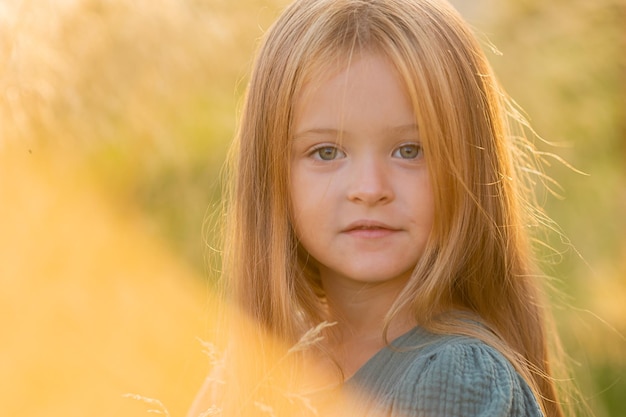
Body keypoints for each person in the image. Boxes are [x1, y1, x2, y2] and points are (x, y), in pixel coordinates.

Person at [188, 0, 573, 416]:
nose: (369, 189)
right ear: (272, 174)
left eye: (410, 150)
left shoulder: (453, 377)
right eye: (326, 151)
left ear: (469, 166)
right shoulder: (255, 371)